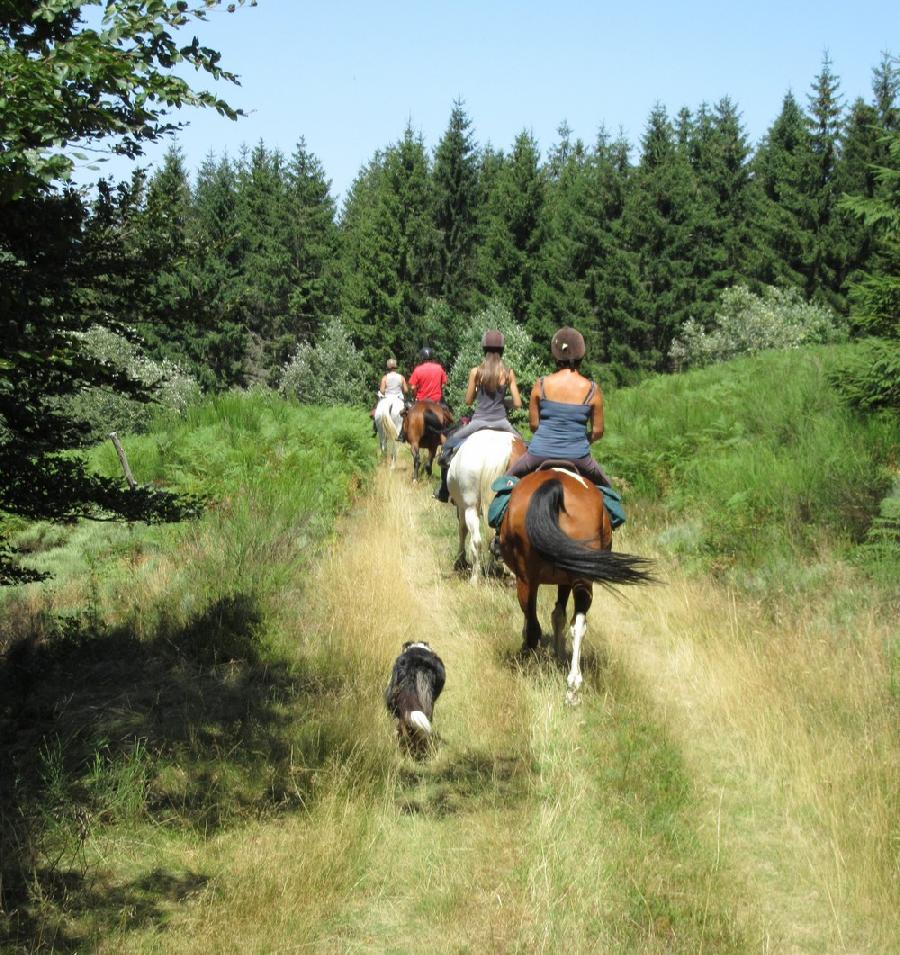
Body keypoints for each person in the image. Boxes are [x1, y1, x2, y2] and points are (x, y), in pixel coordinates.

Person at [504, 326, 612, 487]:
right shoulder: (592, 389)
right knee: (609, 492)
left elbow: (534, 426)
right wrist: (581, 439)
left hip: (539, 453)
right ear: (581, 355)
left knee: (503, 483)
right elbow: (597, 432)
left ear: (556, 355)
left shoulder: (540, 384)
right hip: (578, 456)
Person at [433, 330, 522, 502]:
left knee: (449, 445)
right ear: (502, 350)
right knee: (523, 449)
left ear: (484, 349)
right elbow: (517, 404)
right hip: (502, 423)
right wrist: (503, 402)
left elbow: (468, 401)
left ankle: (444, 491)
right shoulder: (508, 373)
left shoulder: (476, 372)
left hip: (478, 422)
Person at [372, 357, 408, 438]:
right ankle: (404, 431)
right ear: (395, 367)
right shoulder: (401, 377)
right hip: (398, 398)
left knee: (377, 409)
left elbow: (381, 391)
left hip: (387, 398)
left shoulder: (385, 378)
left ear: (388, 368)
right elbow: (406, 390)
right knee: (408, 413)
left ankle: (375, 426)